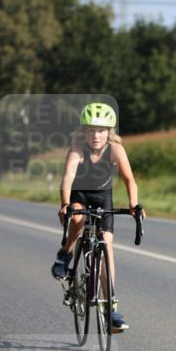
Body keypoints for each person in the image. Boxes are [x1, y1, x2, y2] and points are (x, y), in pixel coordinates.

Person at [51, 102, 142, 332]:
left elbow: (128, 179)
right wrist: (64, 204)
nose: (96, 135)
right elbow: (68, 177)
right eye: (91, 130)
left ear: (109, 132)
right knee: (80, 220)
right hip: (79, 194)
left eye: (101, 130)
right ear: (84, 131)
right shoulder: (77, 149)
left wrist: (133, 204)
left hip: (103, 197)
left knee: (107, 246)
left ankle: (111, 308)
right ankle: (66, 253)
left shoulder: (115, 149)